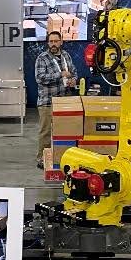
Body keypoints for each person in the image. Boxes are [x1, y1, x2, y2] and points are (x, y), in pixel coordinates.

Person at [34, 30, 77, 168]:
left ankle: (61, 157)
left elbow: (73, 72)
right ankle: (42, 159)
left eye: (56, 41)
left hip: (64, 101)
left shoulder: (66, 56)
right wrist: (60, 74)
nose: (53, 44)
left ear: (61, 42)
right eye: (51, 41)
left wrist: (73, 80)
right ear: (48, 43)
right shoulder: (42, 58)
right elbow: (40, 78)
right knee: (46, 132)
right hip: (48, 102)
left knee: (64, 131)